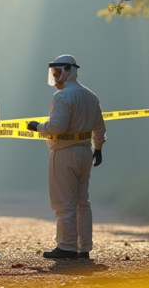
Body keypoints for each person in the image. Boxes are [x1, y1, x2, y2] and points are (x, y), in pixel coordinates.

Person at [27, 54, 106, 260]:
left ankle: (66, 247)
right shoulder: (91, 96)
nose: (54, 77)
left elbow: (57, 127)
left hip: (64, 153)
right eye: (53, 73)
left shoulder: (62, 97)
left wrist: (37, 127)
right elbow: (99, 126)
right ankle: (84, 247)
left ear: (67, 71)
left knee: (64, 203)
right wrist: (98, 148)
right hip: (84, 152)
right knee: (82, 202)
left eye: (57, 72)